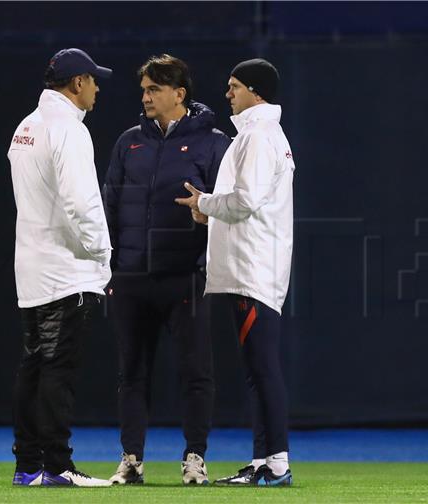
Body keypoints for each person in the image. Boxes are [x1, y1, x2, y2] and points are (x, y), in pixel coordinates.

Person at [103, 54, 231, 485]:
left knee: (196, 373)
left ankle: (194, 458)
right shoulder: (128, 142)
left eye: (153, 90)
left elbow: (231, 208)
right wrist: (111, 266)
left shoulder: (215, 143)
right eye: (143, 90)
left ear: (179, 93)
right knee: (131, 374)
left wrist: (206, 236)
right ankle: (131, 460)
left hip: (185, 277)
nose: (145, 98)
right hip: (132, 277)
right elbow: (110, 206)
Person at [175, 58, 295, 486]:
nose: (227, 93)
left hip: (252, 269)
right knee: (256, 368)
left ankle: (276, 462)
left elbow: (245, 201)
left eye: (234, 86)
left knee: (262, 367)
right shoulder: (257, 134)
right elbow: (245, 202)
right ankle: (264, 460)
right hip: (251, 266)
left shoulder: (259, 136)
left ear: (256, 92)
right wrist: (210, 211)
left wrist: (205, 204)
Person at [7, 48, 113, 487]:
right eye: (92, 80)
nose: (97, 88)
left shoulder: (26, 126)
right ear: (76, 84)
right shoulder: (68, 129)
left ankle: (29, 465)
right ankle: (56, 465)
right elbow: (80, 201)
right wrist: (104, 255)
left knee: (34, 366)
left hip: (32, 266)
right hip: (67, 269)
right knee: (58, 369)